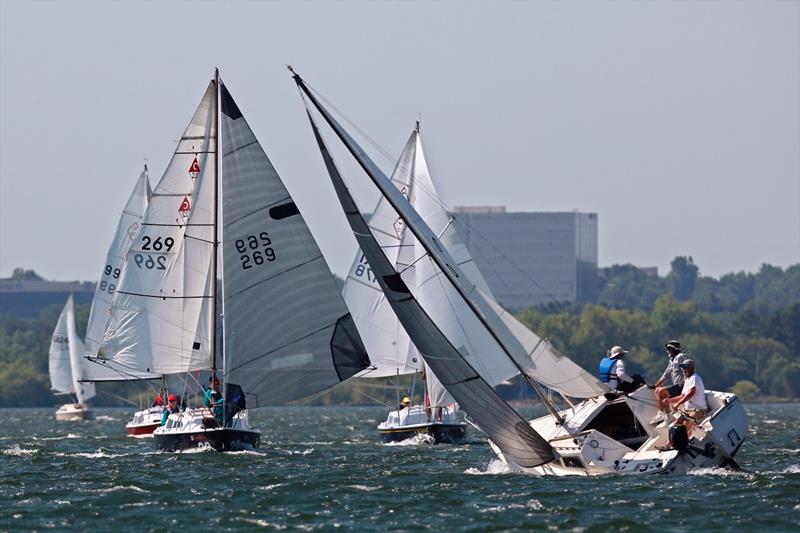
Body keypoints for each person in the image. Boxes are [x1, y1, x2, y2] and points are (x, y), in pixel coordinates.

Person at [667, 359, 708, 440]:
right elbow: (682, 395)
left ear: (691, 367)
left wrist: (678, 404)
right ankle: (668, 446)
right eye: (682, 367)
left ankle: (683, 445)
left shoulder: (695, 378)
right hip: (687, 410)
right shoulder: (687, 380)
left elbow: (690, 393)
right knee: (676, 425)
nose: (683, 369)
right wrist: (669, 400)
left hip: (698, 410)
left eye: (685, 367)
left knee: (686, 426)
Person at [650, 340, 687, 425]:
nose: (667, 351)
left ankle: (665, 414)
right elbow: (666, 374)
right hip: (677, 385)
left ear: (673, 349)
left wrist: (688, 384)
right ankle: (665, 414)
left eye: (668, 349)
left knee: (661, 391)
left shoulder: (681, 356)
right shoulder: (672, 360)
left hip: (682, 385)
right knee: (657, 390)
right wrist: (655, 386)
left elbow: (686, 369)